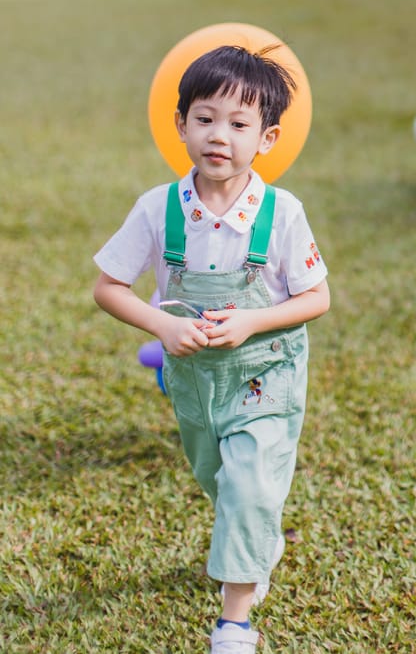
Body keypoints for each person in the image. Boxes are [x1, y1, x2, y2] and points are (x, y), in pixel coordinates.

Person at [93, 45, 330, 654]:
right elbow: (108, 288)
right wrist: (161, 326)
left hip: (265, 377)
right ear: (180, 125)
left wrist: (253, 321)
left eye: (238, 123)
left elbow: (316, 299)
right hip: (195, 382)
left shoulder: (281, 213)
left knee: (250, 486)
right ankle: (256, 536)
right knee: (221, 482)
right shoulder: (159, 208)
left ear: (268, 137)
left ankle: (235, 623)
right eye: (204, 118)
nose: (218, 136)